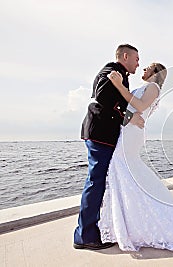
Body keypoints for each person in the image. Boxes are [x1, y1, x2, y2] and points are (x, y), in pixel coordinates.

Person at [98, 63, 173, 251]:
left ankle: (135, 219)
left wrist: (119, 85)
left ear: (156, 73)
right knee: (127, 170)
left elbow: (139, 105)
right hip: (128, 130)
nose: (143, 69)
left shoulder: (153, 87)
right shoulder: (145, 87)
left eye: (147, 68)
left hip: (131, 134)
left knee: (121, 166)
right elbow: (130, 108)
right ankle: (129, 218)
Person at [74, 44, 145, 250]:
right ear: (125, 56)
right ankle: (85, 236)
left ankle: (92, 230)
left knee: (99, 183)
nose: (138, 63)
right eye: (136, 58)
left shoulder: (120, 74)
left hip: (103, 135)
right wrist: (130, 117)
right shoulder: (112, 72)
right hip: (99, 135)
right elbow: (103, 98)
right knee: (95, 183)